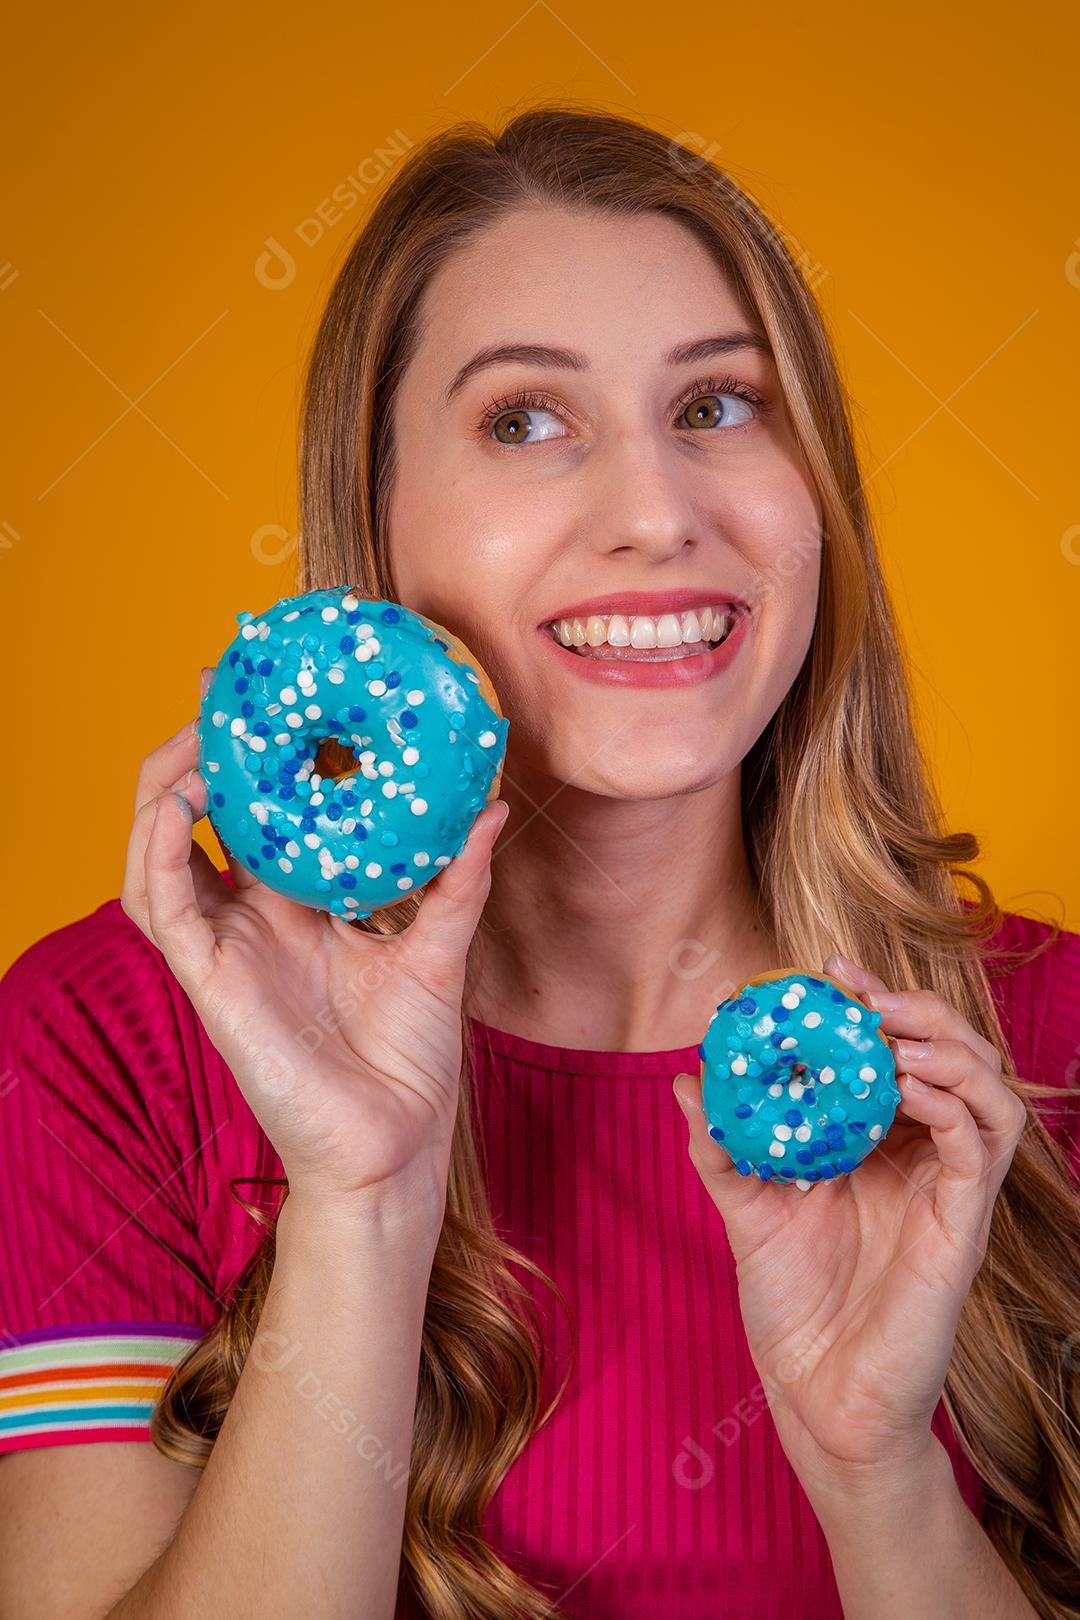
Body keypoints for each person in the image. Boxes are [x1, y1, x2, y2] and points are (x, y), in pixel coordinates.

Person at [1, 103, 1078, 1620]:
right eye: (524, 421)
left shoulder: (1027, 1058)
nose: (656, 516)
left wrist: (877, 1476)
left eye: (719, 406)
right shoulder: (111, 1043)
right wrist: (364, 1200)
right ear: (375, 522)